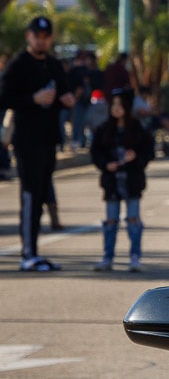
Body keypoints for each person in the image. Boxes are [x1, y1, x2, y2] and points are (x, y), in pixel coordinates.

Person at [0, 15, 74, 271]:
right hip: (27, 140)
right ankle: (27, 254)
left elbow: (64, 90)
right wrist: (33, 98)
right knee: (30, 195)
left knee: (42, 194)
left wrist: (66, 99)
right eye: (36, 36)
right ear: (28, 36)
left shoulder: (53, 64)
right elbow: (4, 97)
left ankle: (33, 251)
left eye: (45, 36)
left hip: (49, 138)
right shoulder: (18, 64)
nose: (41, 40)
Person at [90, 88, 153, 271]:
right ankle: (108, 257)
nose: (116, 109)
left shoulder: (138, 128)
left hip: (132, 181)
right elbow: (95, 152)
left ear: (127, 106)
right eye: (113, 105)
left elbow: (148, 152)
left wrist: (135, 158)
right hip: (111, 182)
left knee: (133, 219)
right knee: (110, 221)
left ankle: (135, 256)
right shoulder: (104, 128)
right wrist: (105, 164)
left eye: (120, 105)